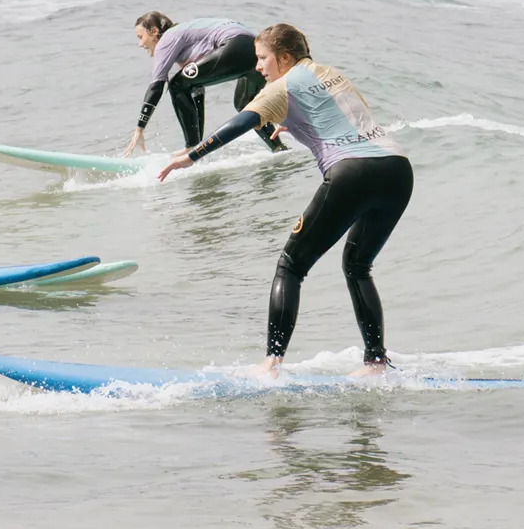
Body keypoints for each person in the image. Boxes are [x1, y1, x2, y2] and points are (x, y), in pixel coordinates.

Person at [158, 23, 414, 378]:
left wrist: (192, 155)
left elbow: (240, 123)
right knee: (358, 266)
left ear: (285, 58)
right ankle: (375, 362)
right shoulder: (331, 73)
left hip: (353, 172)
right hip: (397, 170)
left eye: (263, 58)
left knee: (291, 265)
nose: (258, 66)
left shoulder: (281, 87)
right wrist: (297, 123)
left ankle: (271, 363)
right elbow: (349, 116)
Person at [124, 12, 286, 156]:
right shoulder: (187, 40)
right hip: (256, 50)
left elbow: (156, 86)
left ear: (154, 31)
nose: (140, 44)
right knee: (245, 104)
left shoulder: (167, 38)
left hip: (235, 44)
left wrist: (139, 129)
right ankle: (278, 148)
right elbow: (196, 91)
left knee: (176, 84)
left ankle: (190, 147)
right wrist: (197, 146)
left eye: (140, 37)